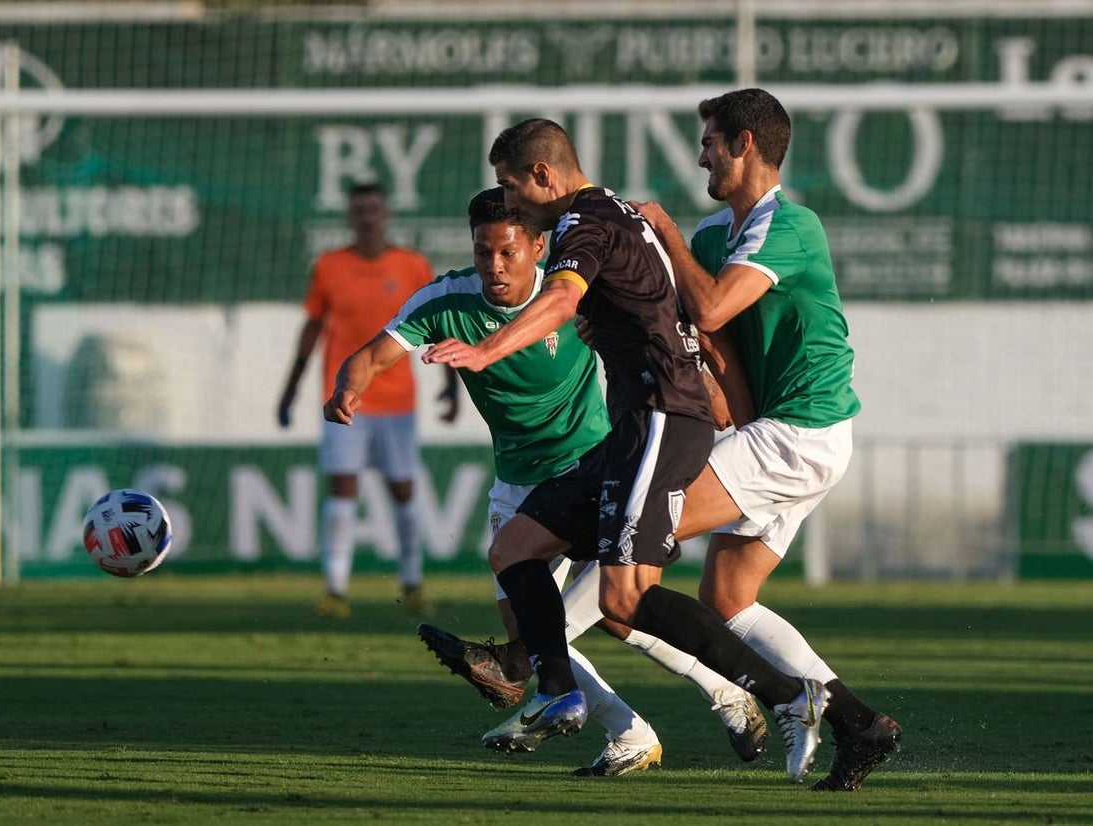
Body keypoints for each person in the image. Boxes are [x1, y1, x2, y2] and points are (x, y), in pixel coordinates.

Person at [421, 118, 829, 784]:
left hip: (662, 418)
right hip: (636, 426)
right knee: (514, 548)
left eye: (512, 186)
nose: (510, 203)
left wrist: (487, 348)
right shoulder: (611, 212)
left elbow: (560, 300)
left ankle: (788, 695)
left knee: (623, 599)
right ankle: (557, 690)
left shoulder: (585, 224)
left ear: (544, 176)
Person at [325, 187, 671, 776]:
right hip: (516, 480)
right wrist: (346, 388)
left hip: (588, 464)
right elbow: (369, 354)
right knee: (546, 630)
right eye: (484, 252)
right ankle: (640, 725)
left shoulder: (573, 294)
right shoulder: (446, 298)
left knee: (602, 614)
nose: (495, 266)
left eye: (509, 252)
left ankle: (717, 697)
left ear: (538, 247)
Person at [629, 88, 902, 792]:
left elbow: (713, 303)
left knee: (630, 532)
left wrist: (664, 231)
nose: (700, 157)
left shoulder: (794, 224)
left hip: (801, 432)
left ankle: (533, 666)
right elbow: (715, 339)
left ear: (745, 145)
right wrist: (729, 409)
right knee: (726, 598)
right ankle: (858, 723)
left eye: (710, 142)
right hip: (776, 431)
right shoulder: (716, 235)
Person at [277, 181, 437, 619]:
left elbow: (440, 321)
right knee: (342, 486)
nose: (367, 216)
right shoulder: (330, 266)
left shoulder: (411, 265)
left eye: (374, 208)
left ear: (385, 214)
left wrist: (451, 384)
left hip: (397, 401)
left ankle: (412, 580)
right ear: (350, 216)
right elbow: (312, 328)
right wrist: (290, 388)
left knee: (403, 490)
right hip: (344, 398)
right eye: (359, 209)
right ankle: (335, 587)